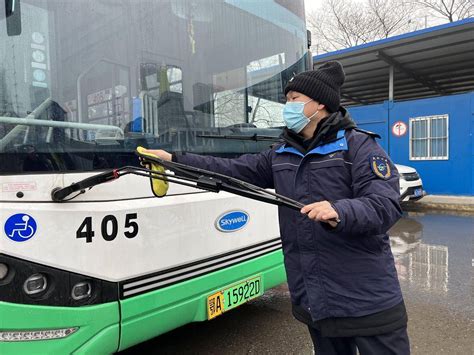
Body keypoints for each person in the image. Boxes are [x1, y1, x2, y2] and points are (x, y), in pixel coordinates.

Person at [145, 61, 410, 355]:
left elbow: (385, 205)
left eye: (294, 99)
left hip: (366, 301)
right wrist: (173, 159)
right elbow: (230, 170)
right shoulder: (281, 152)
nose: (288, 106)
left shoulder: (358, 147)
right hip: (317, 301)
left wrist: (340, 211)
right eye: (286, 100)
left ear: (319, 104)